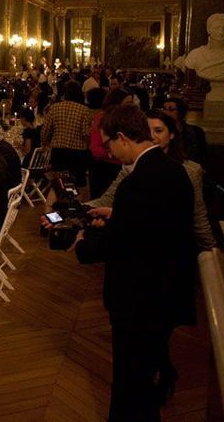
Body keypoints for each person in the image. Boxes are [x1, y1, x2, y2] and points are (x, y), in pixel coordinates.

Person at [75, 105, 196, 421]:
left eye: (109, 144)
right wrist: (118, 214)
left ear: (123, 137)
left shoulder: (137, 181)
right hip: (164, 289)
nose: (109, 152)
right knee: (143, 374)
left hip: (139, 297)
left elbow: (120, 243)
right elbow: (154, 224)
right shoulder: (174, 170)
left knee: (130, 379)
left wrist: (82, 243)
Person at [145, 110, 216, 250]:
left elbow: (198, 215)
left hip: (175, 244)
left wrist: (211, 249)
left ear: (171, 134)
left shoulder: (190, 170)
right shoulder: (133, 166)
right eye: (147, 131)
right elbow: (111, 197)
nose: (151, 136)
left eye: (158, 131)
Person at [41, 80, 92, 186]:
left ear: (65, 93)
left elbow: (46, 130)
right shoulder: (84, 110)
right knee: (78, 184)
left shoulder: (54, 108)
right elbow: (86, 134)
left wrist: (45, 143)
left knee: (59, 184)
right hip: (78, 152)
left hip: (58, 151)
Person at [88, 88, 131, 199]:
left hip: (119, 166)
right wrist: (113, 154)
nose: (131, 106)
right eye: (127, 103)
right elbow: (95, 148)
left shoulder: (126, 119)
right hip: (104, 168)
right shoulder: (102, 118)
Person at [161, 97, 207, 167]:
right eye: (164, 109)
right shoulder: (162, 132)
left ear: (180, 112)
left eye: (171, 109)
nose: (166, 113)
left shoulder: (196, 132)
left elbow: (202, 155)